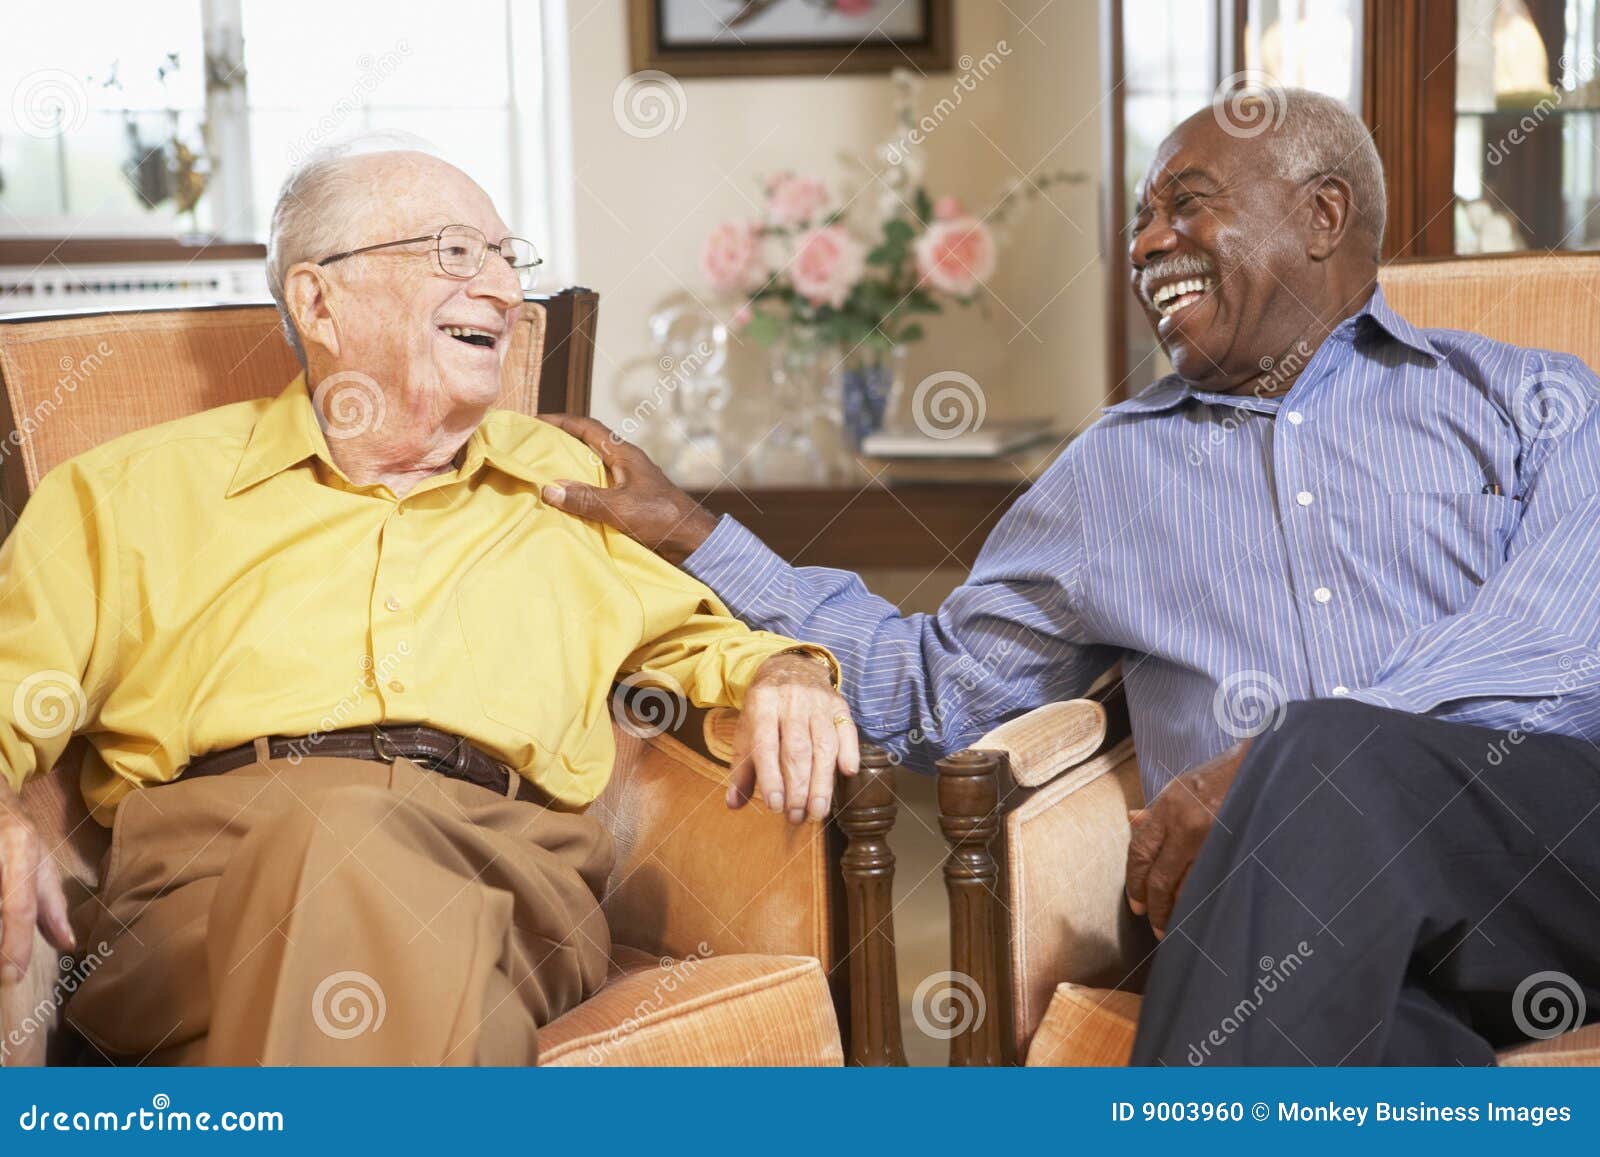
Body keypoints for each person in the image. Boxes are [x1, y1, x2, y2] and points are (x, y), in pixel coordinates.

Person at [539, 90, 1600, 1063]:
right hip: (1282, 923)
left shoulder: (1532, 399)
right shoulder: (1112, 473)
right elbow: (936, 690)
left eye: (1186, 205)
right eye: (1141, 219)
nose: (1145, 244)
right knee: (1353, 1045)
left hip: (1540, 864)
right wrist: (693, 531)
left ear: (1323, 217)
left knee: (1319, 760)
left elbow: (1558, 643)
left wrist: (1261, 774)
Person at [0, 145, 854, 1065]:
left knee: (354, 871)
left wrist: (790, 668)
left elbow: (705, 639)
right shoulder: (127, 491)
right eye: (455, 252)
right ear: (319, 299)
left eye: (505, 258)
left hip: (506, 875)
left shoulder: (566, 485)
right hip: (203, 888)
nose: (505, 291)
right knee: (413, 963)